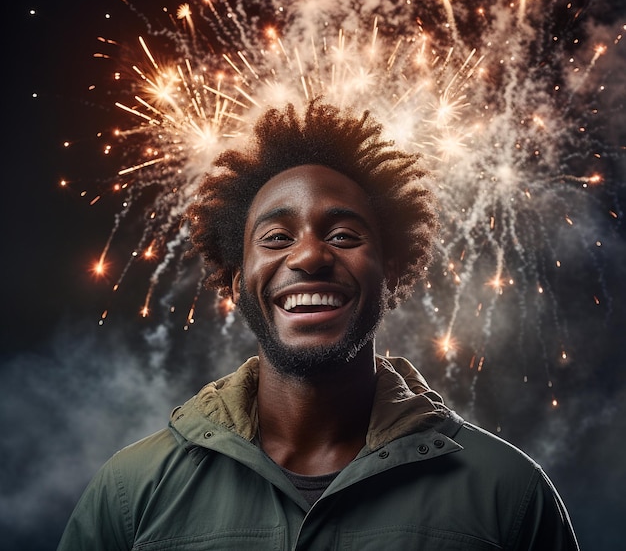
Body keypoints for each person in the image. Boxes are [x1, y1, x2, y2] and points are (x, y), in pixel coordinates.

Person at [58, 101, 579, 550]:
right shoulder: (131, 492)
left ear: (391, 271)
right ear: (236, 279)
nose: (309, 255)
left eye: (345, 236)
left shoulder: (510, 494)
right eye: (277, 238)